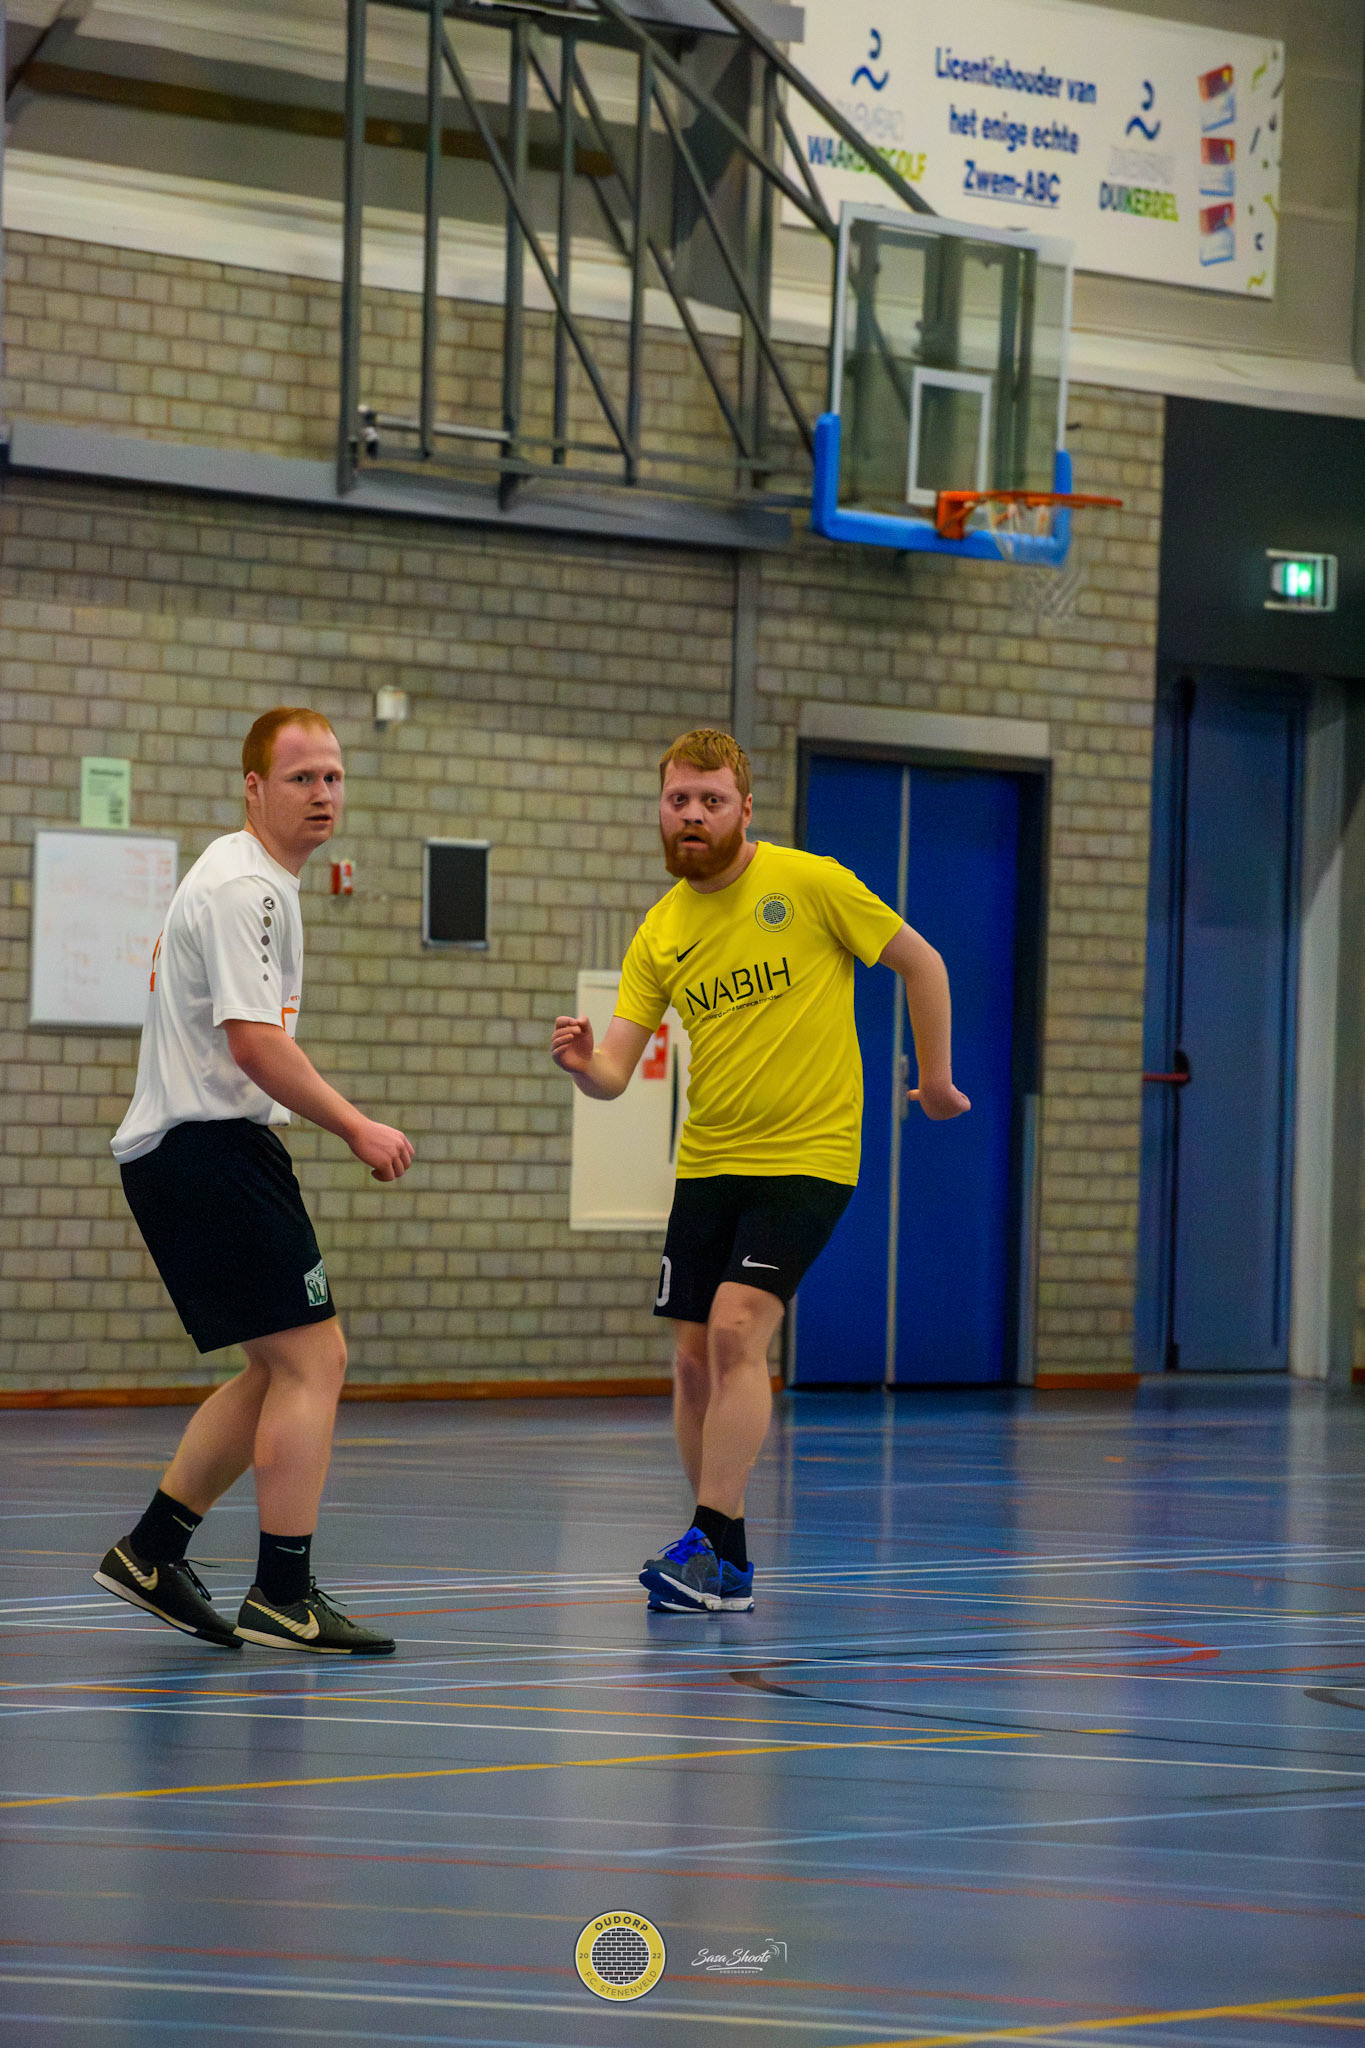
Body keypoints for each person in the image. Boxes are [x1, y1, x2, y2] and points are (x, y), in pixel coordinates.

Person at [551, 728, 969, 1615]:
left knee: (738, 1328)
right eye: (678, 800)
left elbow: (921, 962)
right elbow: (616, 1071)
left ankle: (709, 1544)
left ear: (744, 808)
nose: (692, 815)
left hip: (808, 1155)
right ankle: (724, 1557)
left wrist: (932, 1082)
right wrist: (585, 1066)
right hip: (709, 1162)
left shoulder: (809, 883)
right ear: (660, 808)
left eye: (711, 800)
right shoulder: (661, 930)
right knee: (691, 1360)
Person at [95, 708, 414, 1656]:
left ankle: (153, 1553)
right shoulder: (246, 890)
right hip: (210, 1150)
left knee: (279, 1366)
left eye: (333, 777)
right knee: (317, 1361)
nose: (322, 794)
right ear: (254, 788)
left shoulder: (253, 879)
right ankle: (283, 1594)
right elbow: (255, 1044)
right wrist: (357, 1125)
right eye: (301, 778)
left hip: (196, 1152)